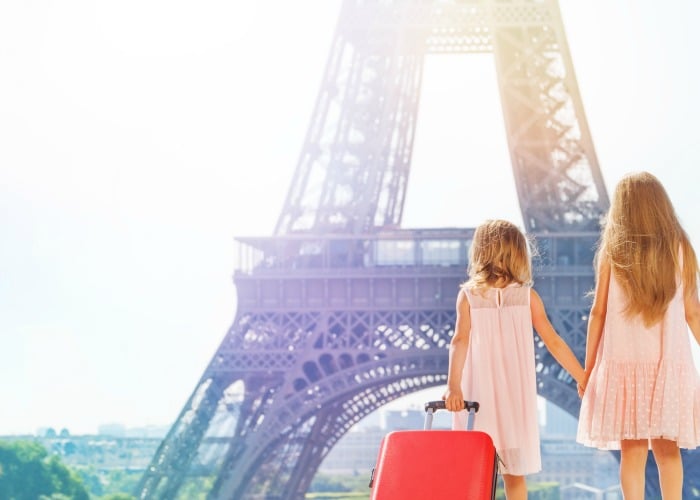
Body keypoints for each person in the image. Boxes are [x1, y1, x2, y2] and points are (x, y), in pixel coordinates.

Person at [577, 171, 700, 499]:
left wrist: (589, 370)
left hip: (624, 366)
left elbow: (598, 313)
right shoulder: (681, 249)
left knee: (631, 453)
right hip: (668, 367)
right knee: (668, 452)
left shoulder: (613, 252)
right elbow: (693, 313)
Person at [443, 219, 585, 500]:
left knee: (475, 470)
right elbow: (553, 341)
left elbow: (459, 341)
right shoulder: (528, 297)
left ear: (480, 252)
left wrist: (453, 386)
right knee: (514, 474)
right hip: (514, 394)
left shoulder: (469, 296)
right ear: (519, 253)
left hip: (478, 391)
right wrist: (581, 376)